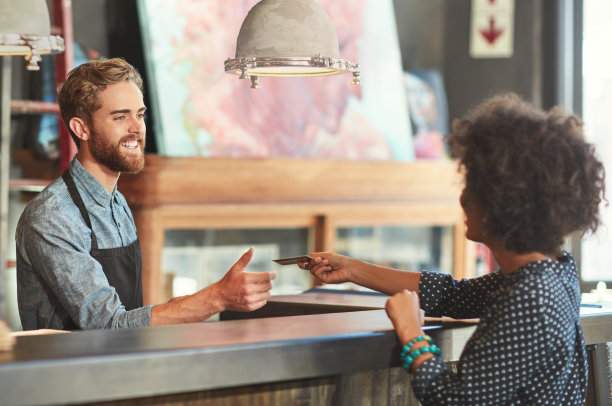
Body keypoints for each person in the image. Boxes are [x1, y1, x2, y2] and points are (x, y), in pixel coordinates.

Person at [302, 93, 606, 405]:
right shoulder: (551, 271)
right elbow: (453, 295)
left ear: (504, 202)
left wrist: (411, 332)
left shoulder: (529, 297)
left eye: (473, 186)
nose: (463, 198)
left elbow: (454, 400)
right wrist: (352, 269)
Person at [16, 58, 276, 330]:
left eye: (139, 114)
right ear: (82, 128)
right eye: (120, 116)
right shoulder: (53, 216)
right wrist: (217, 298)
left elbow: (132, 314)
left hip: (122, 366)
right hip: (69, 372)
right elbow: (108, 325)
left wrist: (220, 295)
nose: (136, 128)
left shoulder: (117, 203)